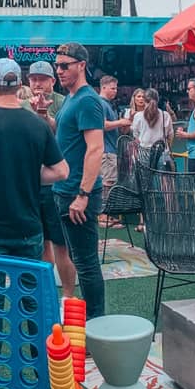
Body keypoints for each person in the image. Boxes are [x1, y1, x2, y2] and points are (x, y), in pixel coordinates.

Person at [0, 59, 67, 259]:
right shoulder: (38, 124)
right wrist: (28, 174)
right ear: (18, 86)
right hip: (28, 225)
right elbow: (61, 171)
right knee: (29, 288)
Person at [52, 42, 105, 320]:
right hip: (64, 190)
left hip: (77, 193)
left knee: (86, 264)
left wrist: (83, 194)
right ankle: (90, 323)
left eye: (64, 65)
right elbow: (65, 135)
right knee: (76, 258)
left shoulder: (86, 99)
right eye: (57, 65)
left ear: (81, 65)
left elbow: (95, 148)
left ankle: (96, 326)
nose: (59, 71)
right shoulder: (72, 98)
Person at [21, 60, 77, 300]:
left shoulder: (64, 104)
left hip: (58, 182)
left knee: (61, 243)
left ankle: (67, 295)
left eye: (42, 79)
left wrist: (44, 114)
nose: (37, 83)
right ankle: (45, 294)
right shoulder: (21, 105)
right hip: (30, 181)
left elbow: (60, 136)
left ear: (52, 81)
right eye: (33, 79)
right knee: (40, 242)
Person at [97, 75, 123, 206]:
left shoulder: (107, 104)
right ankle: (104, 214)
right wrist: (121, 122)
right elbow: (103, 125)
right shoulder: (101, 103)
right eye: (113, 88)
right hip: (106, 150)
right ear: (104, 87)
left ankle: (106, 213)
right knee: (107, 182)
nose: (115, 91)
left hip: (109, 149)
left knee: (108, 182)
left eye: (116, 88)